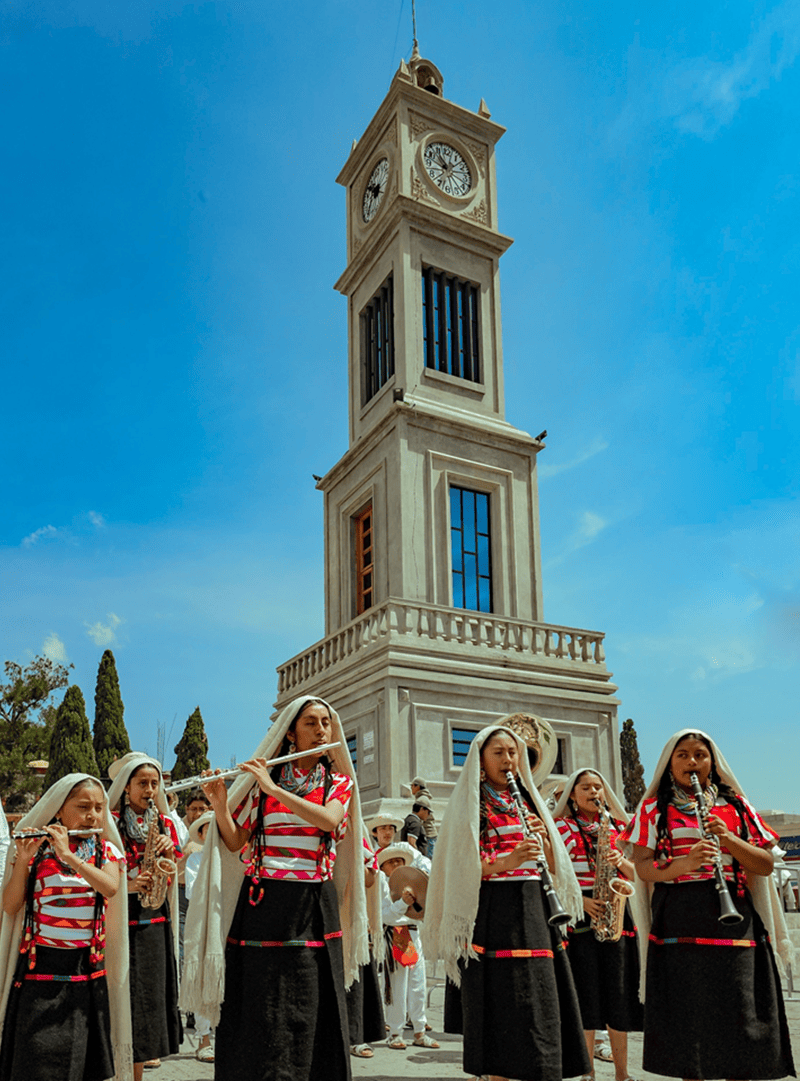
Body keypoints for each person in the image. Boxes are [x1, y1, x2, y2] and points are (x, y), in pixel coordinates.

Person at [181, 694, 369, 1081]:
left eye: (326, 723)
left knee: (310, 998)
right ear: (290, 735)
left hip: (312, 904)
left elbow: (329, 820)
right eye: (311, 723)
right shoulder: (262, 786)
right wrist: (220, 804)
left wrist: (272, 787)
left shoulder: (338, 782)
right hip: (263, 903)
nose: (322, 731)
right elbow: (236, 841)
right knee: (261, 1000)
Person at [619, 729, 795, 1080]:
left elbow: (764, 864)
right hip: (680, 917)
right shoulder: (653, 808)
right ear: (669, 763)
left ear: (712, 762)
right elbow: (643, 867)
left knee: (740, 1011)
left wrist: (728, 839)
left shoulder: (736, 806)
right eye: (682, 755)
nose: (692, 762)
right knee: (690, 1022)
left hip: (736, 916)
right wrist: (685, 864)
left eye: (700, 755)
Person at [423, 725, 590, 1081]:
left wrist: (546, 842)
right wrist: (508, 861)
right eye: (498, 753)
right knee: (499, 1001)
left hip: (534, 906)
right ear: (481, 760)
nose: (508, 759)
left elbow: (554, 864)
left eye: (513, 752)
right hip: (493, 908)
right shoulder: (470, 803)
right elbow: (460, 866)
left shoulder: (528, 802)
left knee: (540, 994)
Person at [0, 772, 132, 1081]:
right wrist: (23, 860)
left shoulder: (106, 851)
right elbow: (10, 905)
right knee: (35, 1060)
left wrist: (69, 856)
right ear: (58, 810)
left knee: (80, 1062)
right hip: (40, 969)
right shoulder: (37, 850)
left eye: (99, 808)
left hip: (85, 970)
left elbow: (110, 887)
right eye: (83, 807)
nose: (92, 816)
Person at [553, 768, 644, 1081]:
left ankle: (622, 1073)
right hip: (581, 912)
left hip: (617, 911)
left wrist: (619, 860)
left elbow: (639, 874)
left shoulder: (619, 827)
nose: (594, 792)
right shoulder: (562, 827)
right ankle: (587, 1073)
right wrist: (580, 901)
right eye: (586, 788)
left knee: (619, 996)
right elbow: (553, 874)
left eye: (598, 787)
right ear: (572, 795)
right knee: (586, 996)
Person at [108, 753, 182, 1080]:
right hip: (120, 915)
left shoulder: (165, 823)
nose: (150, 790)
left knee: (147, 997)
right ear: (126, 787)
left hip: (154, 917)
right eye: (143, 783)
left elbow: (174, 867)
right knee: (122, 994)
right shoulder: (110, 822)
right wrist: (127, 884)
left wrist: (167, 851)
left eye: (155, 783)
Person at [378, 843, 439, 1051]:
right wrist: (403, 903)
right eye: (391, 862)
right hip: (397, 934)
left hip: (413, 933)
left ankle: (419, 1030)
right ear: (384, 867)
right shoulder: (383, 885)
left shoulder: (412, 884)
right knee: (398, 986)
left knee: (417, 984)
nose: (395, 864)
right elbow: (385, 916)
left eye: (399, 861)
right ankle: (395, 1032)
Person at [183, 811, 215, 1062]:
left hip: (227, 924)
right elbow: (192, 893)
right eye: (208, 829)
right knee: (205, 979)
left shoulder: (235, 858)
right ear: (202, 834)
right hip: (204, 924)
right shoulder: (196, 859)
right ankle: (203, 1038)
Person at [407, 777, 438, 856]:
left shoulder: (422, 799)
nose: (411, 788)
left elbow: (419, 818)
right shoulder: (422, 798)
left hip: (428, 835)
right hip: (429, 836)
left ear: (417, 786)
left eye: (412, 786)